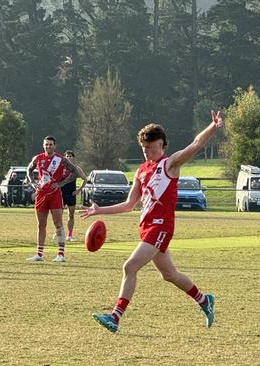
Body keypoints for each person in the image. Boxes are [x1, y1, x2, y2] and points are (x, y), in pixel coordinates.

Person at [81, 111, 223, 333]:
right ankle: (204, 300)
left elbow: (195, 145)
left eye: (150, 146)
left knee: (129, 266)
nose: (147, 151)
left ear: (162, 144)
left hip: (160, 226)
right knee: (169, 275)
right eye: (143, 148)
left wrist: (213, 127)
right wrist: (99, 210)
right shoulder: (141, 170)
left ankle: (115, 318)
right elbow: (129, 205)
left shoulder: (170, 164)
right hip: (147, 227)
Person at [26, 136, 78, 263]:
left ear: (55, 146)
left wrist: (61, 183)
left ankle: (61, 254)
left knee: (58, 224)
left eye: (50, 145)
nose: (48, 147)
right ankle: (39, 253)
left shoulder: (61, 159)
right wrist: (32, 182)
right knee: (41, 224)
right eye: (46, 144)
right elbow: (29, 169)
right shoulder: (37, 158)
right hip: (41, 194)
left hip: (55, 195)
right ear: (43, 145)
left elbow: (74, 171)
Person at [56, 150, 87, 241]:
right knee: (58, 214)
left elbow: (85, 179)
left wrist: (78, 190)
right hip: (61, 194)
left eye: (70, 156)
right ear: (64, 157)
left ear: (73, 158)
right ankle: (58, 232)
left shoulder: (76, 169)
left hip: (71, 194)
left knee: (71, 215)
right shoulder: (60, 168)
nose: (69, 157)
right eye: (67, 156)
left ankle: (69, 235)